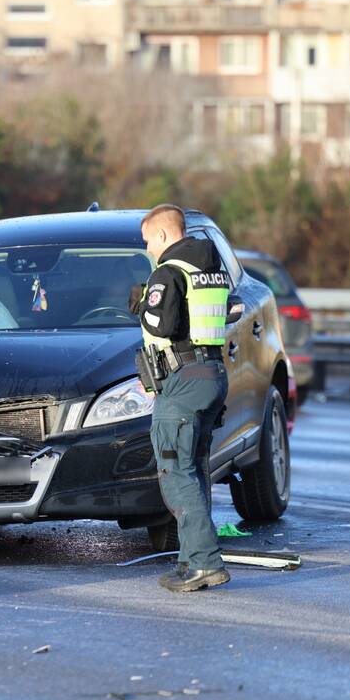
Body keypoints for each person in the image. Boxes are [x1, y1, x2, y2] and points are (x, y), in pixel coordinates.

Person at [129, 204, 231, 592]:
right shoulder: (209, 268)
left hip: (184, 381)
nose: (148, 252)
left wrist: (141, 305)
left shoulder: (169, 272)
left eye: (148, 243)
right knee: (192, 471)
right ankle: (192, 560)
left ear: (163, 236)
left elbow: (164, 323)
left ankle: (204, 563)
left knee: (175, 472)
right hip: (211, 374)